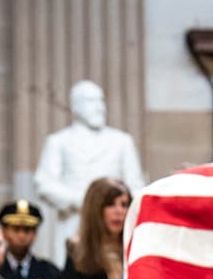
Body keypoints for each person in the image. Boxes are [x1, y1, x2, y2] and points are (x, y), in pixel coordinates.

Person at [34, 80, 145, 264]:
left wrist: (117, 206)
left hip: (114, 227)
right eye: (91, 101)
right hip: (75, 221)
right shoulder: (59, 141)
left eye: (101, 101)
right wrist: (83, 202)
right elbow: (44, 183)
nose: (99, 107)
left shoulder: (121, 141)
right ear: (75, 106)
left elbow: (135, 184)